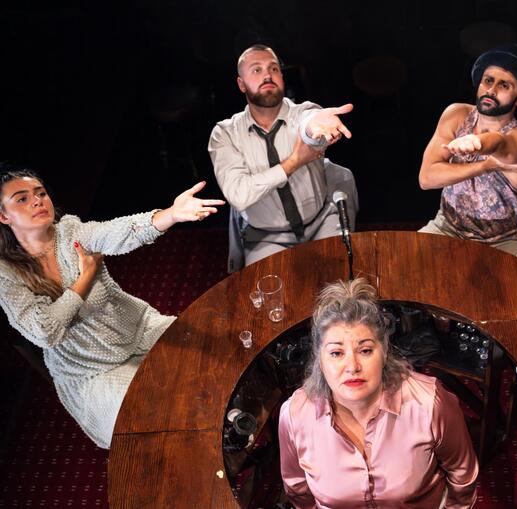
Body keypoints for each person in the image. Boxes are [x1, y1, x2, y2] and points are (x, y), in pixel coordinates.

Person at [0, 167, 225, 448]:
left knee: (212, 346)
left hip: (135, 330)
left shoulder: (71, 232)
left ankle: (230, 422)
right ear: (3, 216)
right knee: (155, 420)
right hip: (90, 370)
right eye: (22, 199)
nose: (37, 201)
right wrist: (84, 280)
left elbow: (116, 232)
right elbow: (45, 331)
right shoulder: (6, 274)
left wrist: (170, 215)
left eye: (40, 193)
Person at [278, 278, 479, 508]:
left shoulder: (429, 403)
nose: (352, 366)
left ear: (383, 352)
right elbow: (298, 490)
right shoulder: (294, 416)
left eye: (365, 350)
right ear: (320, 361)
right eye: (336, 353)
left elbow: (463, 477)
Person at [209, 44, 358, 271]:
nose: (268, 75)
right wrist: (294, 161)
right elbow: (238, 195)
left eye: (274, 69)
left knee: (340, 288)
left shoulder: (304, 112)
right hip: (267, 237)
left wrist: (315, 127)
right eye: (256, 70)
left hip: (321, 222)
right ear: (241, 83)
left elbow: (311, 126)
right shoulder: (224, 134)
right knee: (269, 298)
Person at [419, 43, 517, 255]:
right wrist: (485, 166)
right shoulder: (456, 115)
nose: (491, 90)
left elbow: (500, 143)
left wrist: (479, 143)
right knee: (405, 262)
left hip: (504, 240)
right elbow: (427, 178)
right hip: (447, 226)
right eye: (488, 80)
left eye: (504, 85)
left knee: (516, 287)